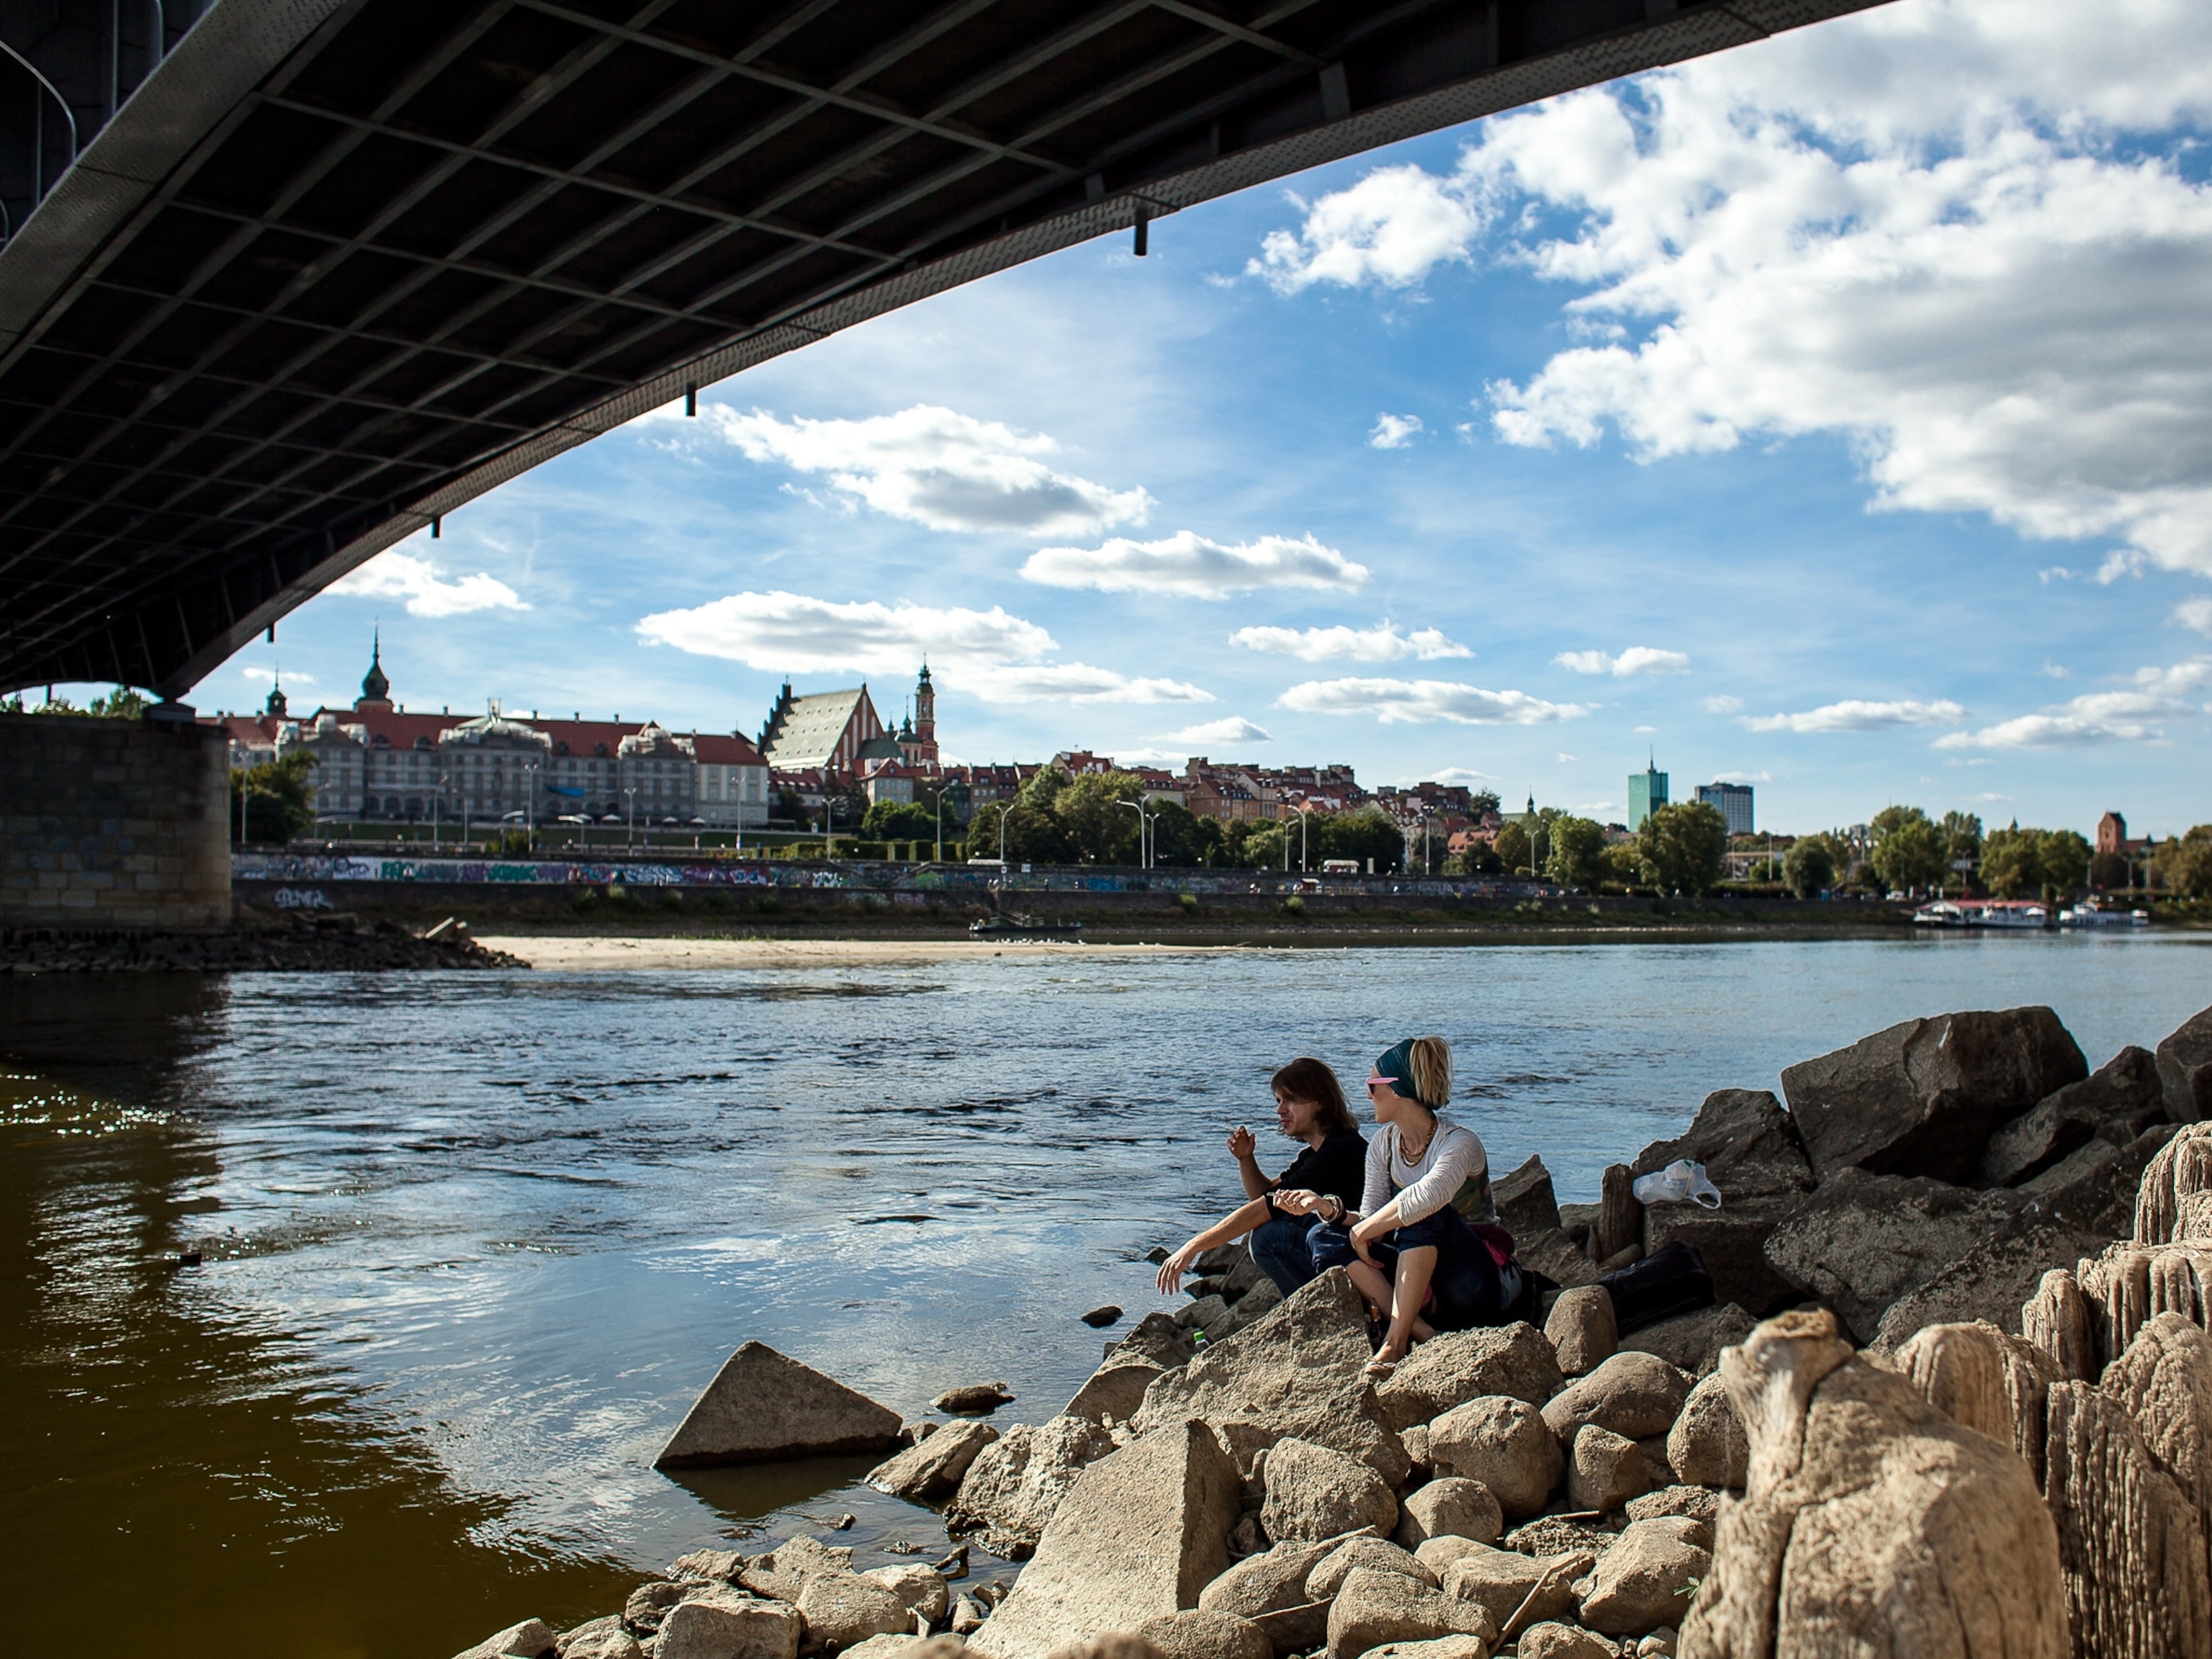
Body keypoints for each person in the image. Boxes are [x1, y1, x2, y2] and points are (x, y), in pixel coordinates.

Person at [1310, 1035, 1516, 1372]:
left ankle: (1395, 1342)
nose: (1367, 1094)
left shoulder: (1459, 1143)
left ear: (1397, 1089)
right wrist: (1330, 1210)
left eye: (1372, 1085)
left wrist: (1363, 1231)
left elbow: (1427, 1197)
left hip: (1472, 1279)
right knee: (1322, 1236)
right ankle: (1421, 1330)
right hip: (1419, 1278)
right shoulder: (1384, 1145)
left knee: (1423, 1212)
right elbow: (1372, 1218)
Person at [1156, 1057, 1367, 1299]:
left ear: (1319, 1101)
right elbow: (1265, 1195)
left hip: (1358, 1257)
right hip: (1340, 1248)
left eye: (1290, 1100)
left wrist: (1194, 1246)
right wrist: (1246, 1159)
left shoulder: (1339, 1151)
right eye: (1279, 1101)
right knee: (1270, 1225)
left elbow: (1265, 1208)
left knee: (1268, 1236)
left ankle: (1320, 1306)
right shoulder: (1314, 1154)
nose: (1280, 1110)